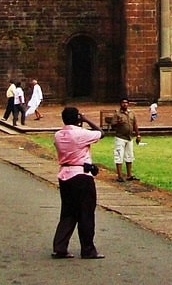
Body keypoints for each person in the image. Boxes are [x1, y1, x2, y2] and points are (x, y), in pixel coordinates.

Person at [51, 106, 105, 259]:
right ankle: (88, 249)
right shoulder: (80, 134)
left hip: (64, 175)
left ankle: (60, 247)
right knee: (86, 213)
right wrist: (86, 119)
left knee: (68, 213)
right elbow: (101, 133)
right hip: (81, 176)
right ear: (77, 118)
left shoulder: (58, 135)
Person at [111, 98, 141, 181]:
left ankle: (129, 175)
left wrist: (138, 135)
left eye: (126, 103)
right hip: (120, 137)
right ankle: (120, 176)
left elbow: (135, 124)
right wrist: (118, 123)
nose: (125, 104)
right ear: (120, 104)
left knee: (129, 156)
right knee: (119, 156)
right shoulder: (117, 114)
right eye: (123, 103)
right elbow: (112, 125)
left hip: (129, 137)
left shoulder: (131, 113)